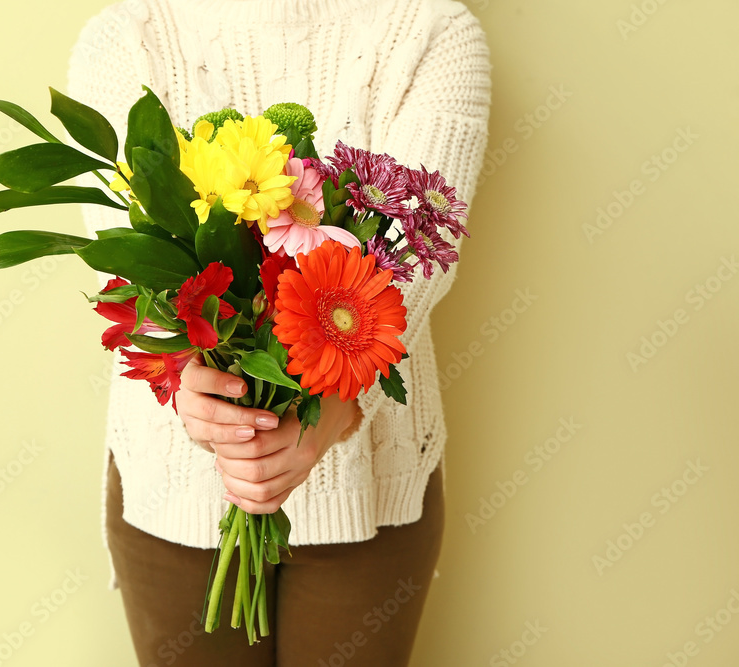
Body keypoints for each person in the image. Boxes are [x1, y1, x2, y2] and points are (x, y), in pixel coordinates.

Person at [67, 0, 491, 664]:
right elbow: (131, 259)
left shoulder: (433, 31)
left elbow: (416, 258)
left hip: (372, 485)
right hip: (173, 491)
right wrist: (190, 384)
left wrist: (334, 411)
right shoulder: (124, 40)